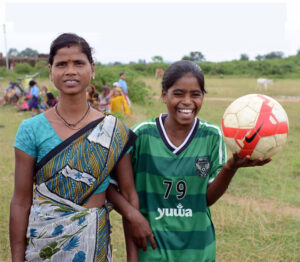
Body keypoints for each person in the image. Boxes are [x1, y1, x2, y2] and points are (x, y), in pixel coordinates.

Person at [9, 33, 154, 262]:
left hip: (93, 246)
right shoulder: (31, 130)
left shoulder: (113, 130)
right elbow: (20, 201)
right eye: (61, 64)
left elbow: (128, 193)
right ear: (51, 71)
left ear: (92, 69)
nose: (70, 71)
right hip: (43, 247)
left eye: (78, 63)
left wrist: (132, 258)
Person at [130, 60, 271, 261]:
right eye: (178, 93)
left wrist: (230, 167)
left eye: (196, 94)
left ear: (203, 96)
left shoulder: (212, 136)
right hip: (152, 250)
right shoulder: (142, 135)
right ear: (164, 95)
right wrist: (134, 217)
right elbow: (118, 188)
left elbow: (206, 200)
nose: (187, 101)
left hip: (198, 250)